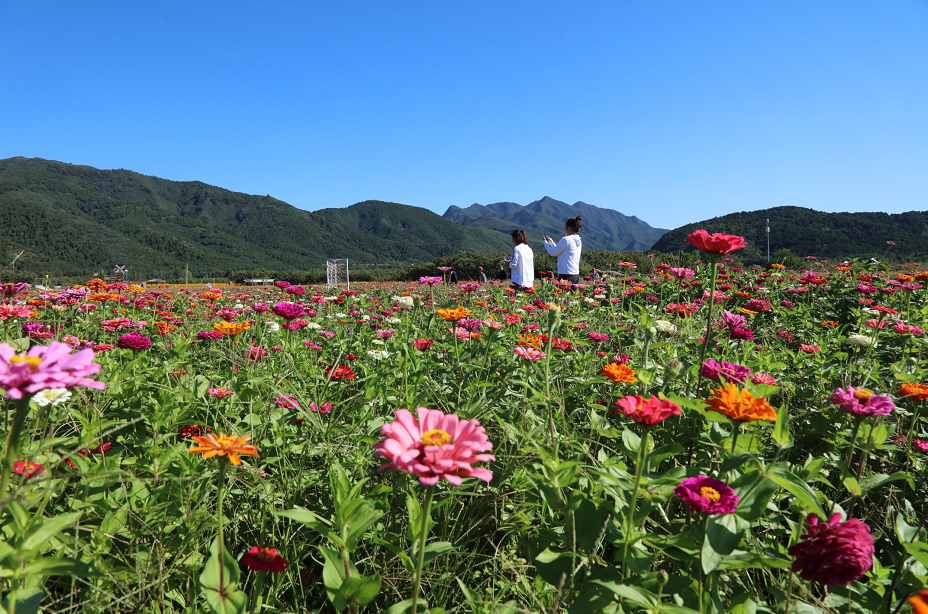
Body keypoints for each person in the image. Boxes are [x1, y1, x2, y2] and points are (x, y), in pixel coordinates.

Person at [544, 216, 583, 288]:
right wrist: (551, 242)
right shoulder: (578, 240)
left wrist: (545, 243)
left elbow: (553, 252)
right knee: (573, 298)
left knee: (561, 297)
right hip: (575, 275)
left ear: (568, 228)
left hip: (566, 275)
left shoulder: (566, 239)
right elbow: (559, 249)